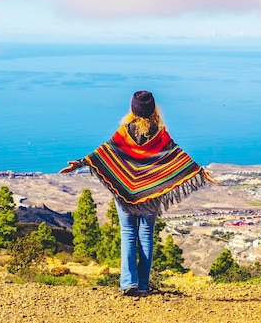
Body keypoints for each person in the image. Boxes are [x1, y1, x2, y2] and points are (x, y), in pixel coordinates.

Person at [59, 90, 219, 296]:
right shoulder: (159, 133)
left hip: (124, 192)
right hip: (151, 194)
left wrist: (80, 163)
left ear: (133, 109)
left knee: (128, 233)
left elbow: (104, 152)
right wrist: (200, 171)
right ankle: (143, 284)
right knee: (145, 234)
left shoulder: (124, 132)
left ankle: (128, 283)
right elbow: (177, 156)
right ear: (153, 109)